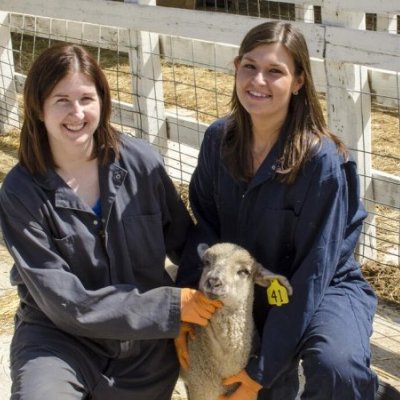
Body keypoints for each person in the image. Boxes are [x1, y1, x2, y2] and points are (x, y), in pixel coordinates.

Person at [0, 43, 222, 400]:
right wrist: (169, 308)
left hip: (145, 350)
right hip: (60, 341)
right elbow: (65, 302)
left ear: (103, 102)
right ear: (38, 109)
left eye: (86, 98)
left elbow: (185, 242)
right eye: (61, 100)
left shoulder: (141, 163)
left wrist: (195, 309)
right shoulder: (20, 192)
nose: (77, 113)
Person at [175, 21, 379, 400]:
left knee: (336, 366)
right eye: (250, 66)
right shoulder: (219, 139)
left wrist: (263, 369)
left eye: (275, 72)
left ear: (299, 80)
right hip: (244, 280)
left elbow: (313, 269)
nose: (258, 81)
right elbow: (203, 228)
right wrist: (186, 306)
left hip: (318, 284)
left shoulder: (322, 161)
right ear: (236, 67)